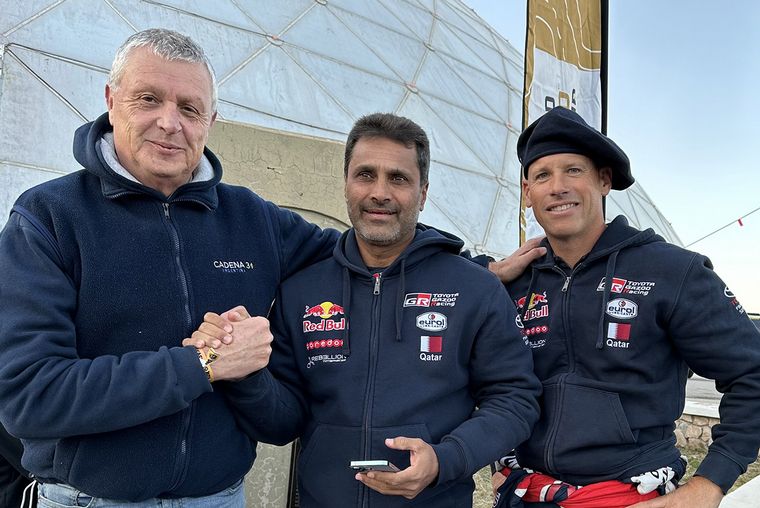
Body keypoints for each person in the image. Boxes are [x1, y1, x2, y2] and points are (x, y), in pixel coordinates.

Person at [0, 28, 340, 506]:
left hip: (220, 498)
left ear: (210, 122)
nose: (169, 122)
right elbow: (30, 396)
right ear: (111, 101)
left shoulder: (253, 218)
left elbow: (361, 255)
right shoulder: (49, 217)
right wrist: (202, 364)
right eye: (148, 99)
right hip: (89, 500)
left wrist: (451, 257)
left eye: (190, 108)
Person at [190, 113, 542, 507]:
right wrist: (245, 373)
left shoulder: (475, 289)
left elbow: (515, 398)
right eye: (365, 175)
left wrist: (445, 460)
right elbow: (282, 423)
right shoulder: (301, 291)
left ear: (423, 193)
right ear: (346, 184)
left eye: (398, 178)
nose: (380, 192)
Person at [491, 106, 760, 508]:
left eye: (573, 170)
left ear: (604, 180)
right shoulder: (512, 281)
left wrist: (710, 483)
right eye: (542, 175)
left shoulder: (672, 271)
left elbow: (752, 373)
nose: (558, 187)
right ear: (528, 193)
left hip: (633, 495)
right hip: (526, 494)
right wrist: (488, 274)